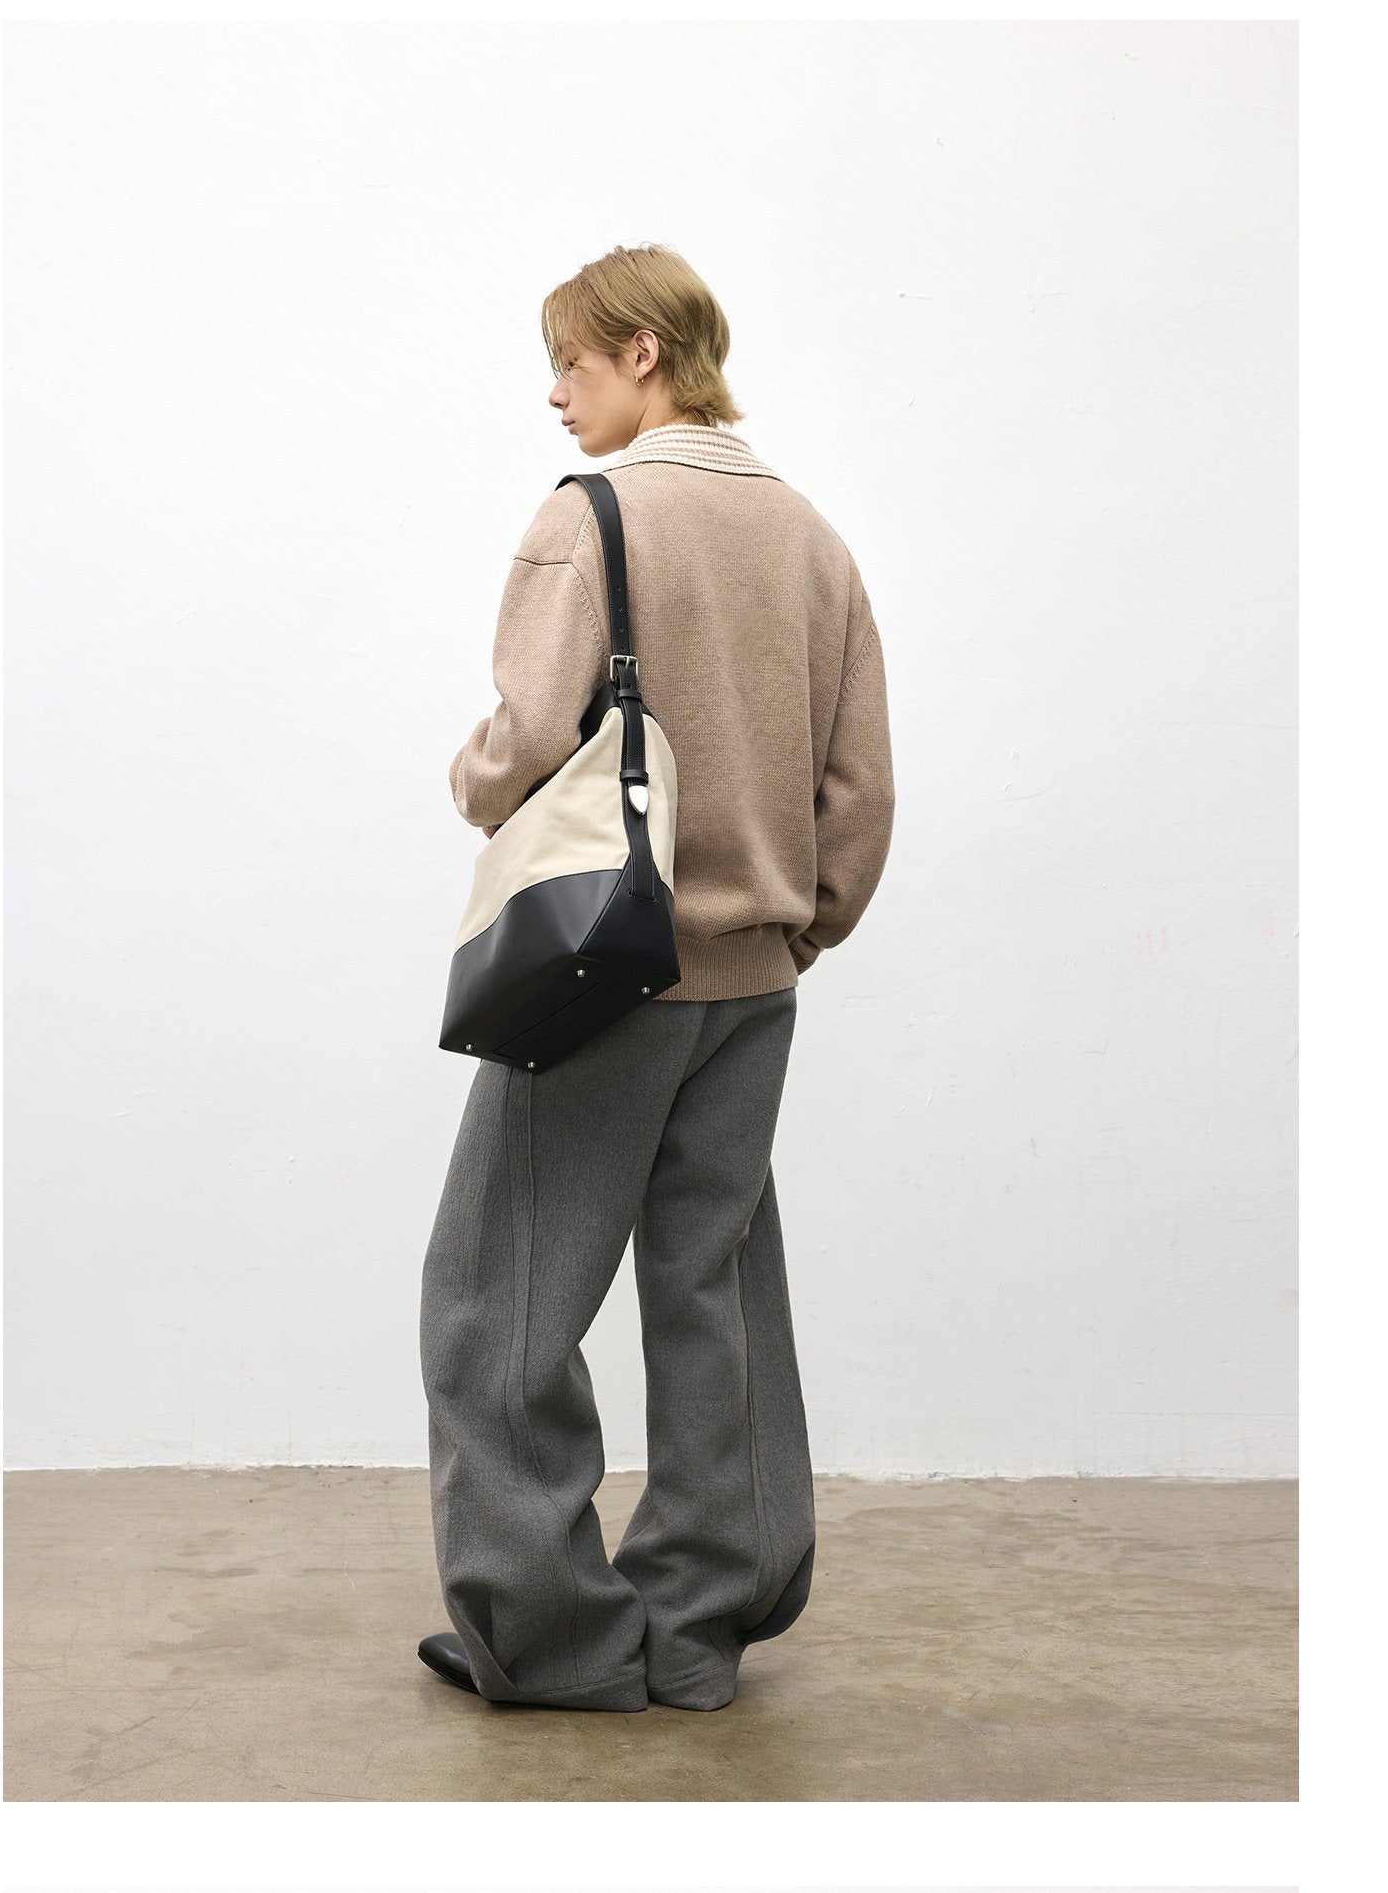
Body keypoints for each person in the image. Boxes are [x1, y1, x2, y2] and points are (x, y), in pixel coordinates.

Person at [417, 242, 895, 1713]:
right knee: (713, 1299)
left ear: (644, 352)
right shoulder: (812, 538)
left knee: (496, 1304)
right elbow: (859, 788)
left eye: (570, 360)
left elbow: (522, 742)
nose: (555, 393)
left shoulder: (596, 516)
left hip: (608, 976)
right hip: (752, 986)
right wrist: (794, 929)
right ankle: (697, 1629)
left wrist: (468, 781)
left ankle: (554, 1638)